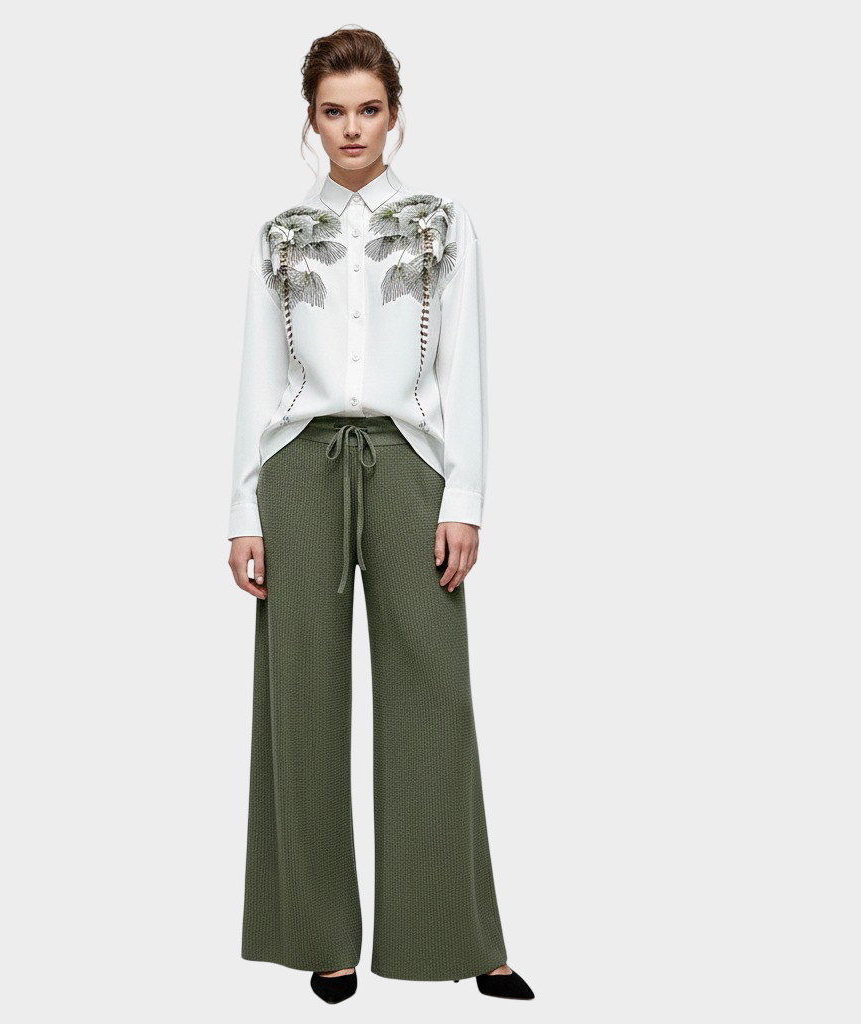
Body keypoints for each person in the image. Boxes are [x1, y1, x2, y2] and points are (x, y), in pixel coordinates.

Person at [226, 26, 535, 1005]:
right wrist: (242, 510)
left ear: (394, 114)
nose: (351, 128)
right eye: (333, 111)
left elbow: (464, 364)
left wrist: (465, 498)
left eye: (368, 109)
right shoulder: (281, 233)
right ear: (310, 120)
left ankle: (459, 935)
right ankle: (322, 936)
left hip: (410, 467)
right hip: (299, 470)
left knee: (433, 694)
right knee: (300, 701)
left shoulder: (442, 225)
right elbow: (259, 374)